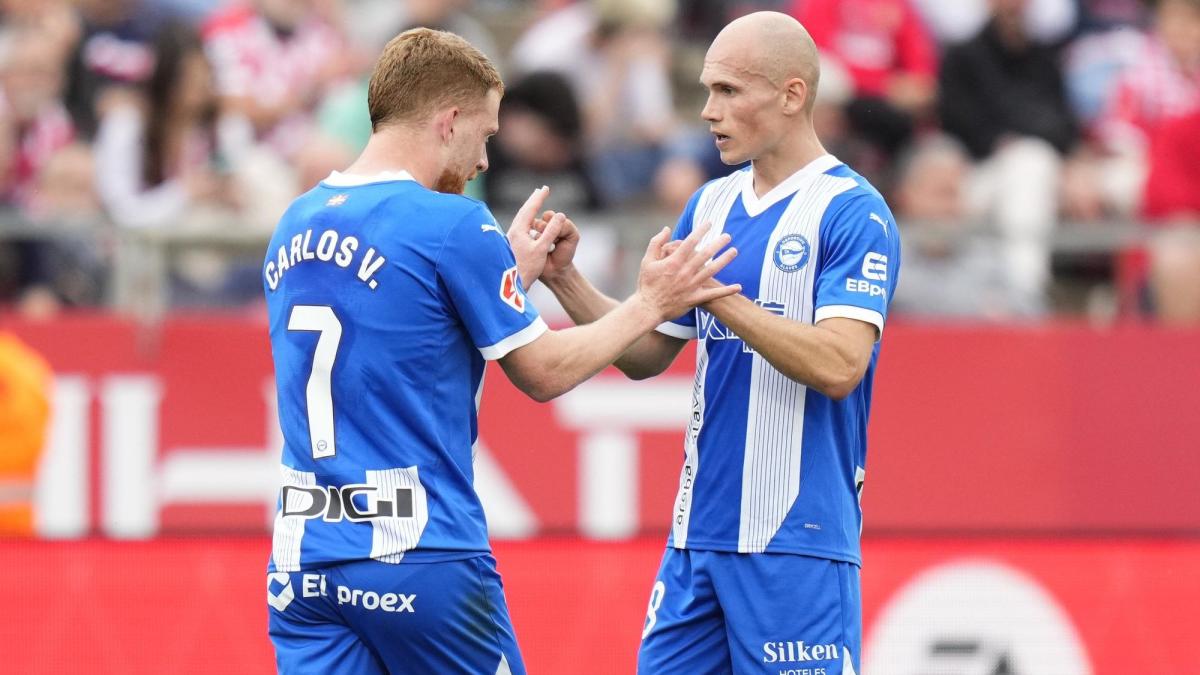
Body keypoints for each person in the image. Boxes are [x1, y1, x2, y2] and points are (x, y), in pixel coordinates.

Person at [262, 28, 739, 675]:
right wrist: (649, 303)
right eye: (485, 135)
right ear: (448, 120)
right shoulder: (454, 223)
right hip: (422, 553)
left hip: (304, 561)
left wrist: (501, 274)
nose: (485, 160)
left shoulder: (295, 220)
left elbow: (394, 320)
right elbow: (541, 372)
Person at [536, 12, 900, 673]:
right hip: (695, 541)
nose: (708, 111)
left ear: (792, 95)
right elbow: (647, 355)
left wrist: (720, 298)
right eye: (707, 90)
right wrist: (568, 282)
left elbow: (841, 362)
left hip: (796, 543)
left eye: (729, 91)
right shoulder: (708, 206)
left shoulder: (854, 210)